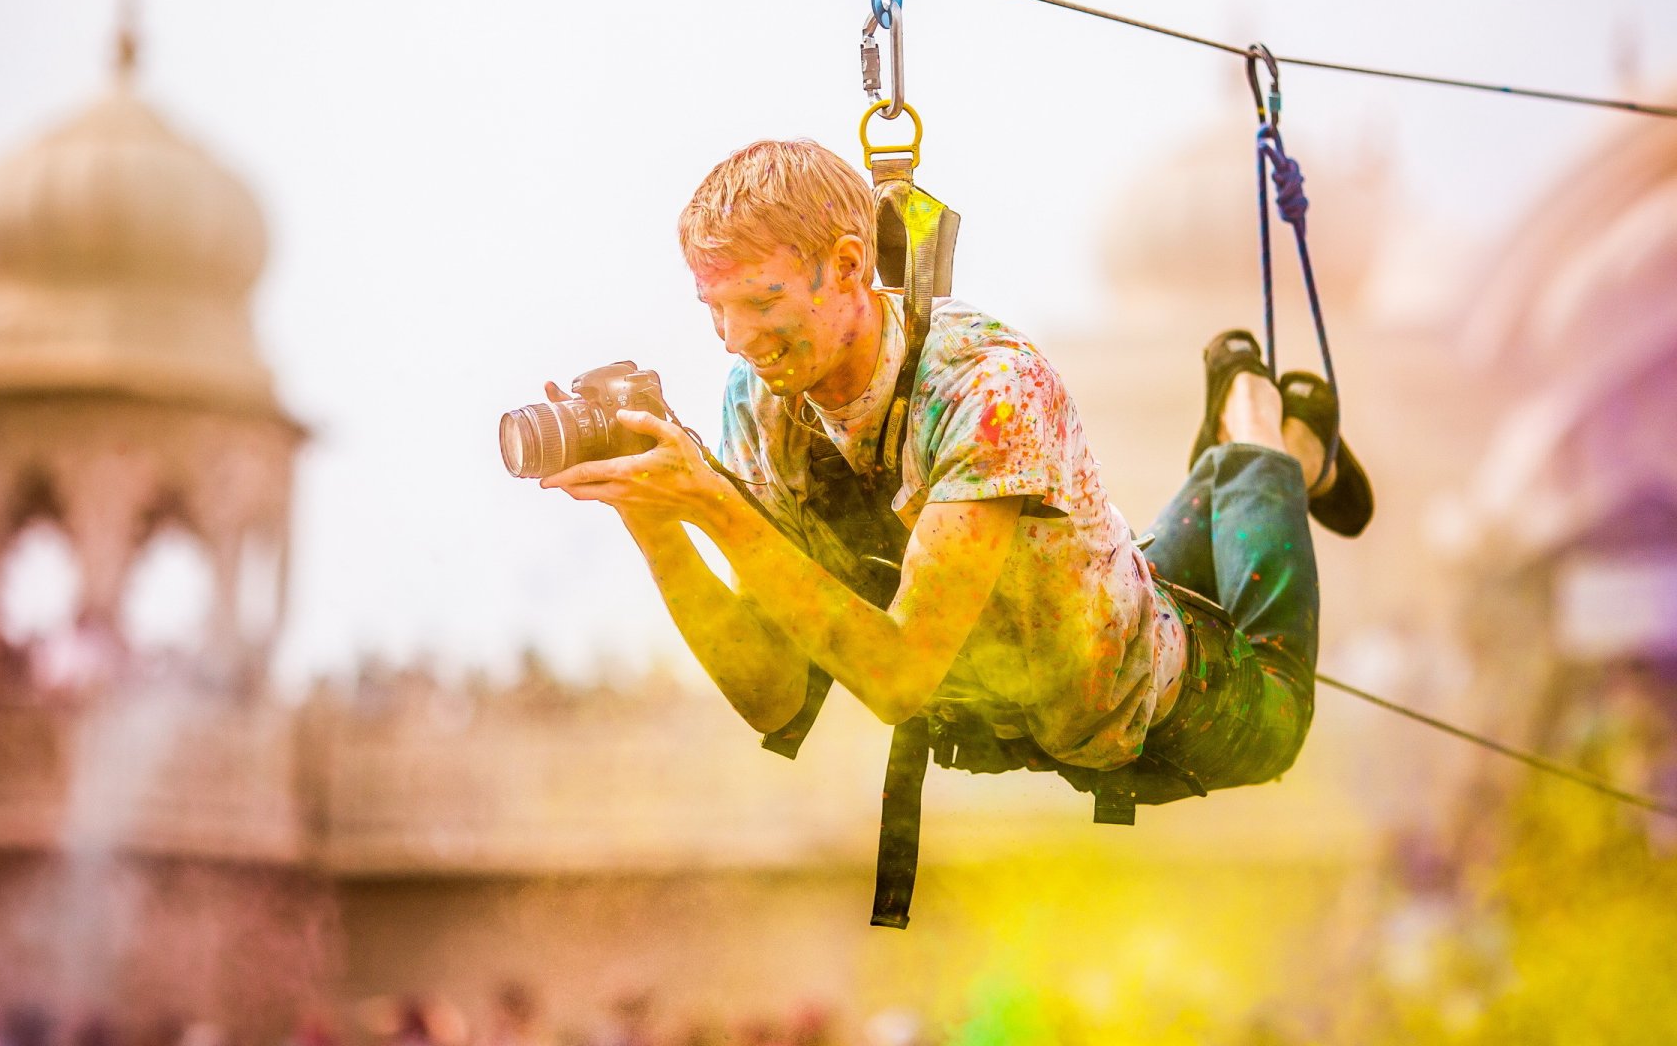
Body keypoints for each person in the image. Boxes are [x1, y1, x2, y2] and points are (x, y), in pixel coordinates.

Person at [541, 139, 1371, 922]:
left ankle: (1264, 422)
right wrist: (658, 520)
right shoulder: (761, 401)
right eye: (715, 309)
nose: (737, 340)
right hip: (1082, 629)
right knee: (1129, 569)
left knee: (1280, 719)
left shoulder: (988, 388)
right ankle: (1255, 453)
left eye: (763, 302)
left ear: (848, 266)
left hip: (1150, 688)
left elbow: (898, 676)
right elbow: (772, 697)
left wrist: (716, 504)